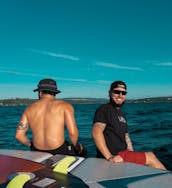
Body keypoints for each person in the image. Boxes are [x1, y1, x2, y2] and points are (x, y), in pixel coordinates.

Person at [92, 80, 166, 170]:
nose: (120, 95)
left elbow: (126, 136)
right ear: (109, 93)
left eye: (123, 93)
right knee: (151, 156)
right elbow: (96, 132)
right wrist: (109, 157)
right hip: (115, 155)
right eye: (117, 92)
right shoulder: (104, 109)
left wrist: (131, 153)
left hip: (124, 154)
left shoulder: (122, 114)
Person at [15, 78, 86, 156]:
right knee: (82, 151)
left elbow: (19, 135)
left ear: (40, 92)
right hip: (59, 151)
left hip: (37, 151)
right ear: (55, 93)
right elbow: (72, 133)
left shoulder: (29, 109)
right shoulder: (64, 106)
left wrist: (31, 145)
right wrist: (76, 147)